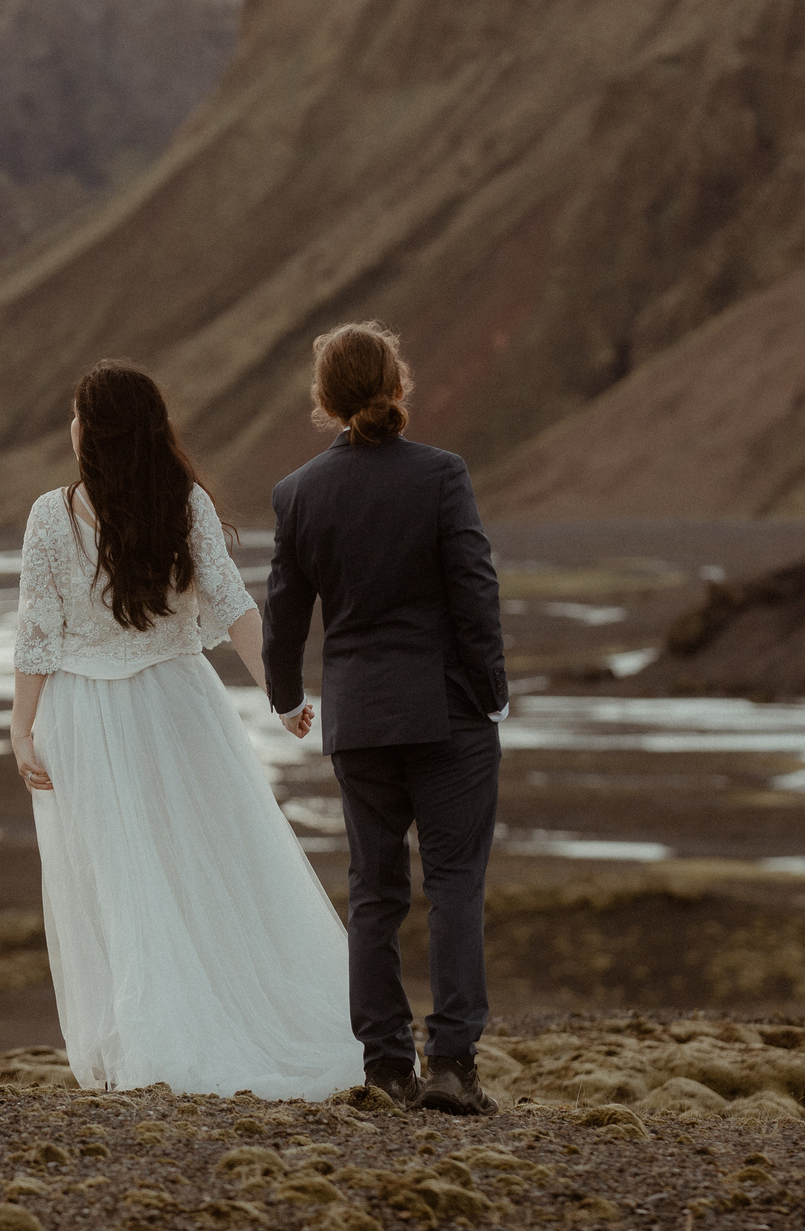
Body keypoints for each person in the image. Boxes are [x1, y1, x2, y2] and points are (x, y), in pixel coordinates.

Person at [8, 358, 363, 1099]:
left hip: (86, 715)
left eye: (78, 416)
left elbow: (37, 633)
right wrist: (280, 691)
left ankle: (151, 1037)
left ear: (96, 431)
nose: (71, 428)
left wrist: (22, 726)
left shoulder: (50, 514)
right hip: (179, 704)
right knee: (206, 862)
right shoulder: (186, 501)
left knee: (118, 878)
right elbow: (236, 607)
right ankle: (207, 1018)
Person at [263, 321, 509, 1116]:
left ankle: (385, 1068)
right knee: (455, 886)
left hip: (361, 719)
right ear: (397, 385)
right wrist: (491, 687)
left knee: (374, 894)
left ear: (324, 400)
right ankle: (452, 1066)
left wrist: (286, 696)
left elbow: (285, 615)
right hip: (448, 715)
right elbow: (474, 589)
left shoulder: (299, 493)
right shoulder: (442, 475)